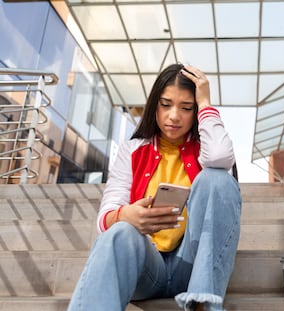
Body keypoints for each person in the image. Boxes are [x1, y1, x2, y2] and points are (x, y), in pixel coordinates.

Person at [67, 63, 242, 311]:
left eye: (187, 107)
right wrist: (126, 216)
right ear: (154, 105)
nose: (174, 116)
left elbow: (221, 156)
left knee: (217, 179)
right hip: (146, 268)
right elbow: (103, 220)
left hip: (192, 268)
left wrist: (205, 103)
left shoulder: (206, 150)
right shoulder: (132, 150)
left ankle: (204, 303)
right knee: (119, 233)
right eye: (166, 104)